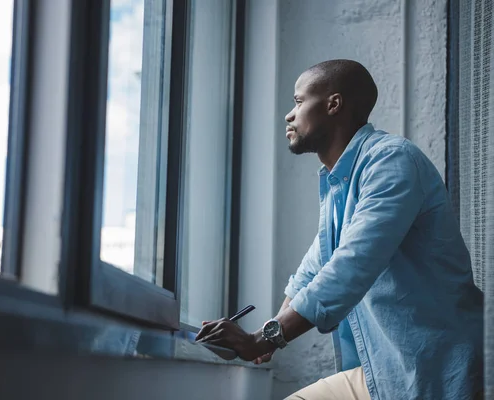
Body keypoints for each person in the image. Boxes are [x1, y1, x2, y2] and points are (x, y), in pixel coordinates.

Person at [195, 59, 484, 400]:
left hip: (438, 369)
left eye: (300, 101)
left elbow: (351, 266)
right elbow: (314, 269)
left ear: (333, 104)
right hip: (385, 373)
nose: (289, 114)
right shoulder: (340, 184)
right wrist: (266, 335)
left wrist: (265, 338)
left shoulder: (392, 161)